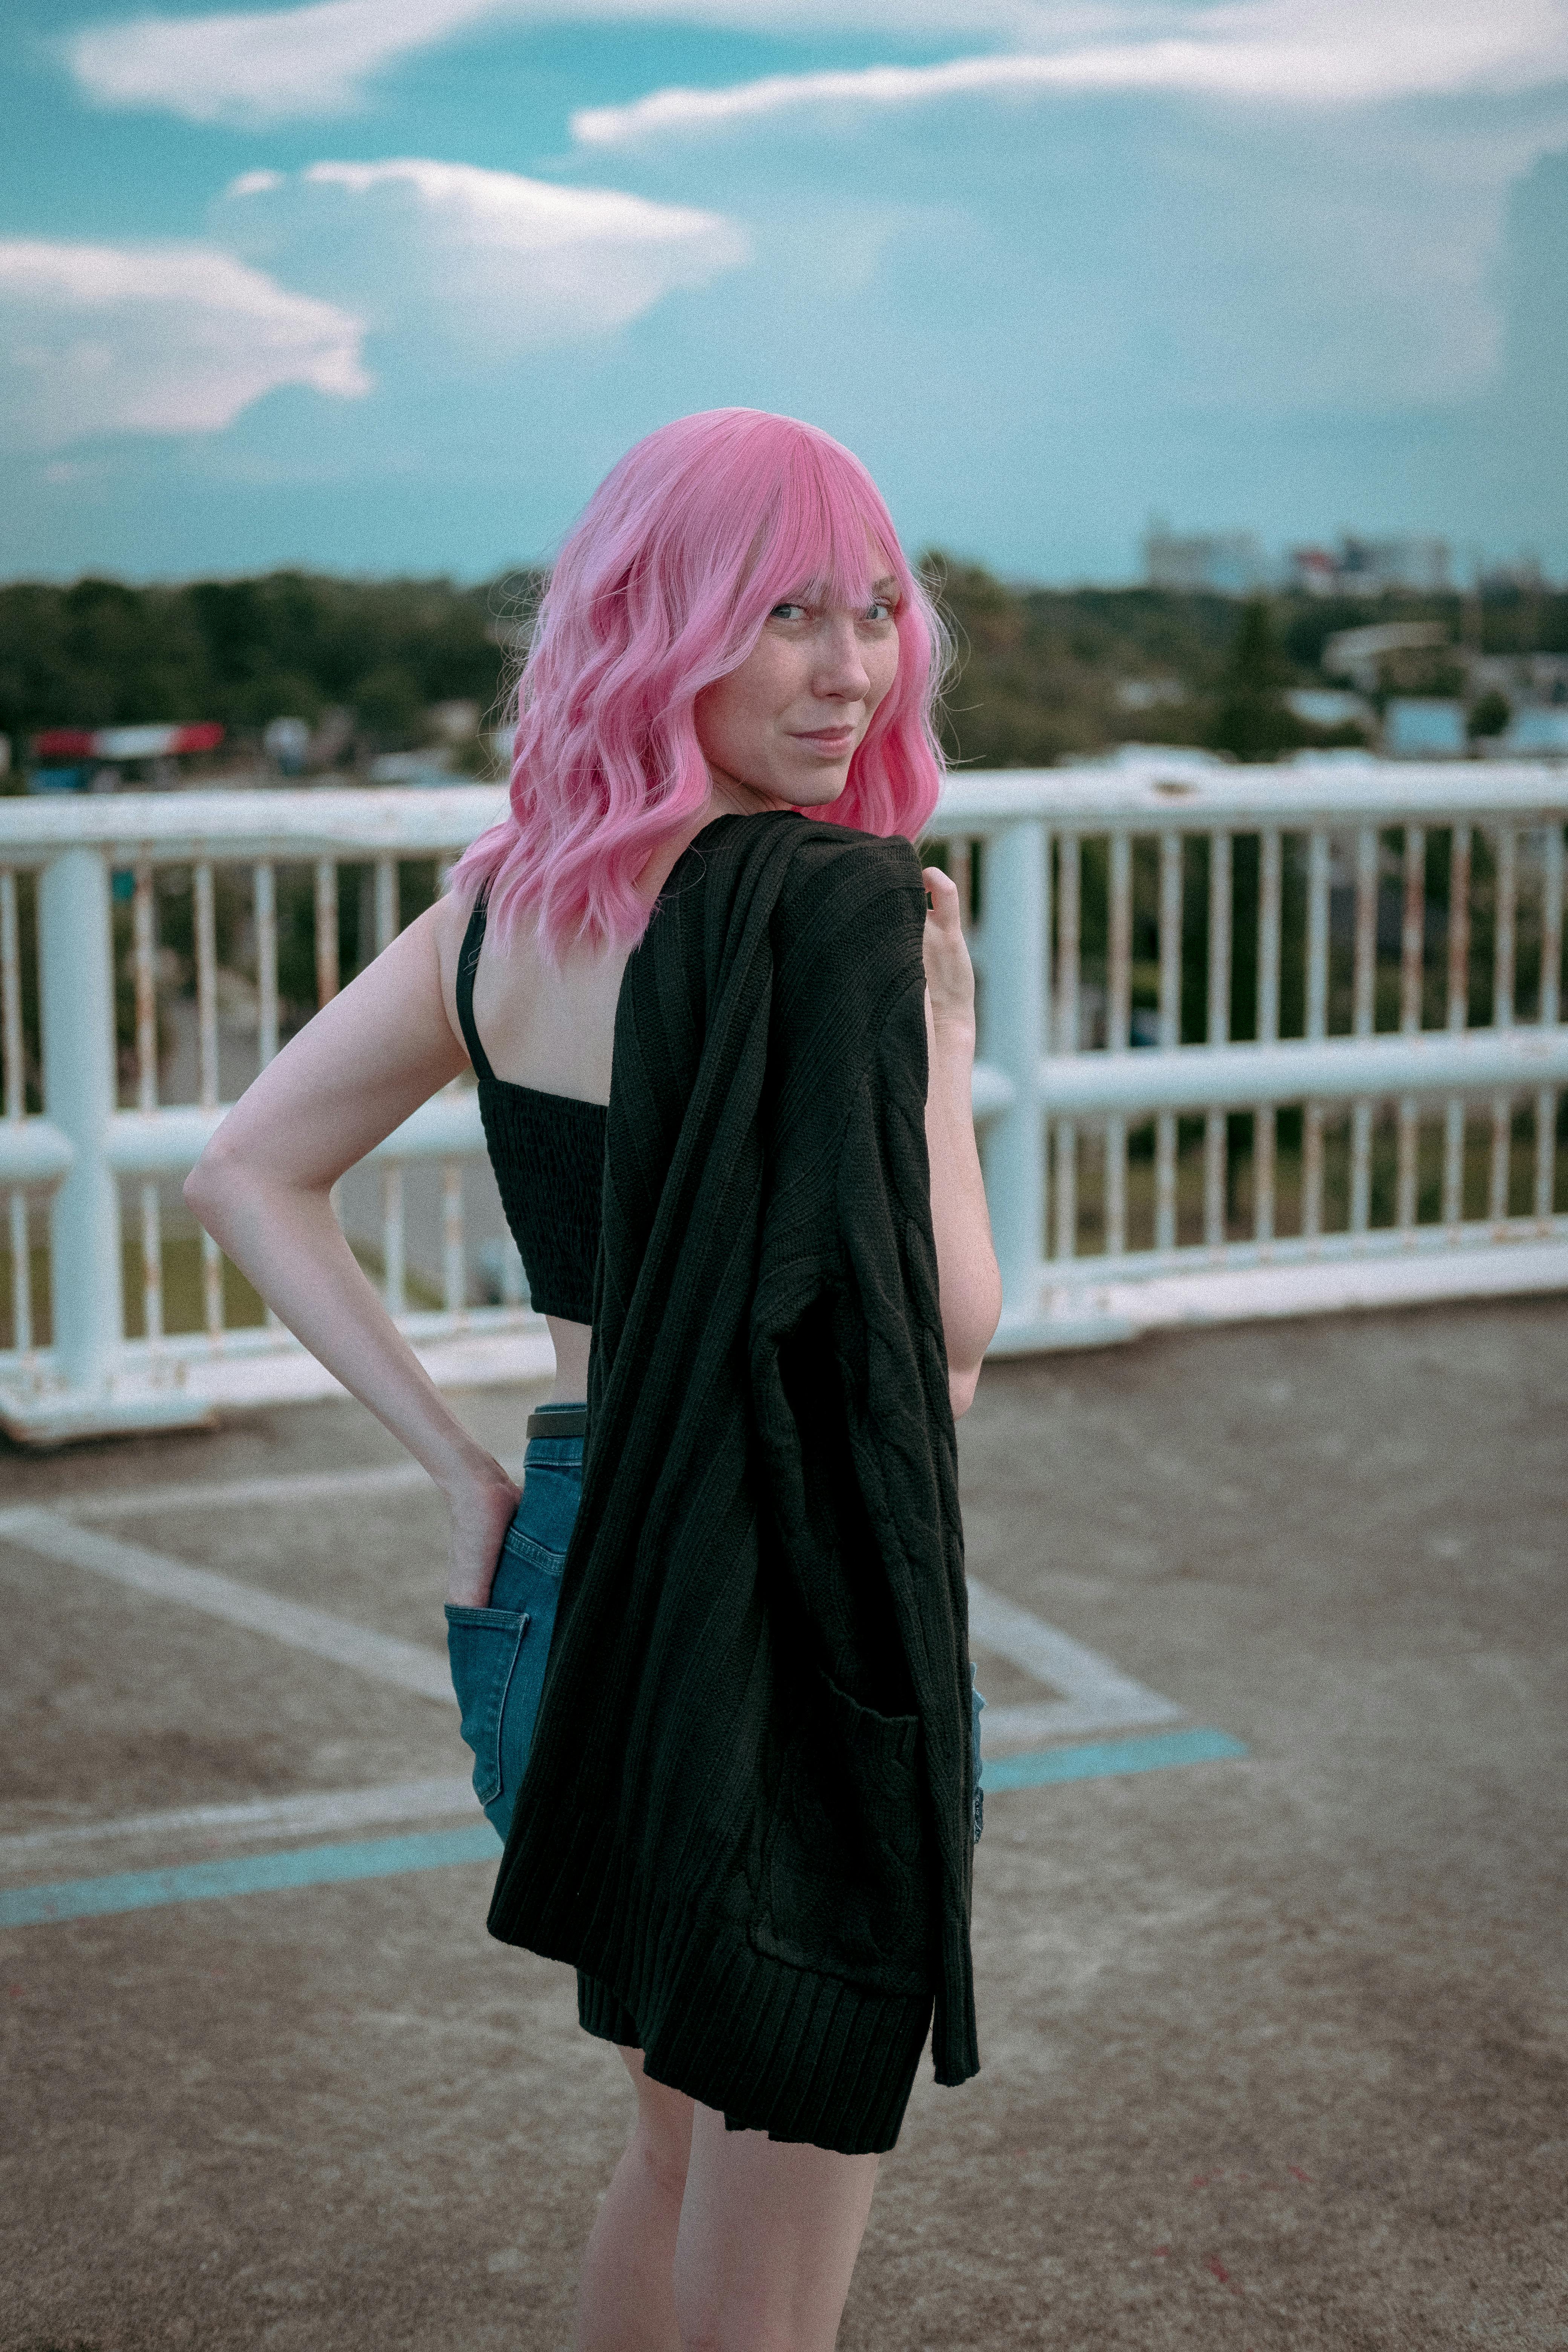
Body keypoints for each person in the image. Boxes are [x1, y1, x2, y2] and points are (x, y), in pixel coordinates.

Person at [186, 408, 1003, 2352]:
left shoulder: (505, 902)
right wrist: (950, 1045)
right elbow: (952, 1334)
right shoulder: (840, 917)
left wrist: (465, 1473)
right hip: (778, 1609)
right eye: (784, 613)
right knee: (771, 2235)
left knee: (669, 2149)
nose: (849, 669)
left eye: (874, 609)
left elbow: (247, 1171)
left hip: (565, 1563)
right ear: (663, 626)